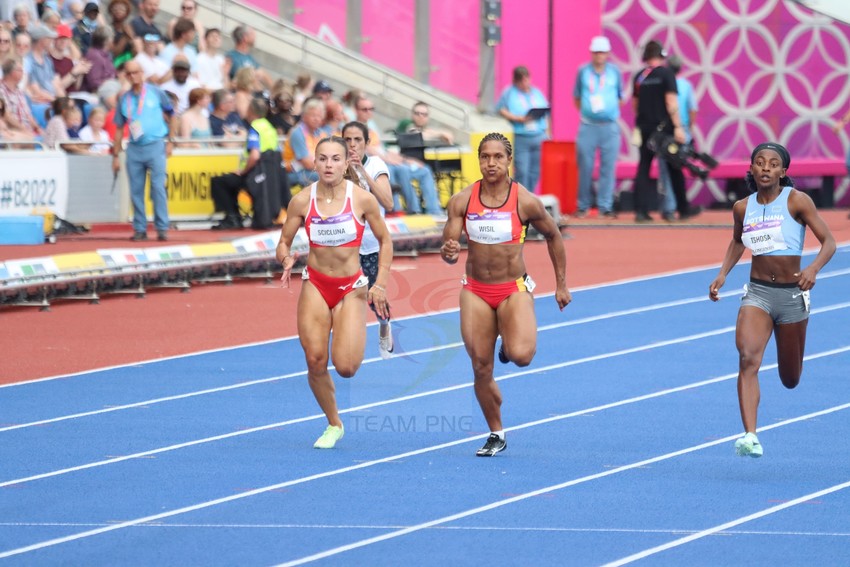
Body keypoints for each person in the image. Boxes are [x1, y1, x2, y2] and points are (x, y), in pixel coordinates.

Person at [440, 132, 571, 457]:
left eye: (498, 157)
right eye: (485, 157)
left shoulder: (524, 200)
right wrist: (450, 250)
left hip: (512, 289)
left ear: (508, 160)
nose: (491, 163)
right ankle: (496, 432)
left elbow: (554, 236)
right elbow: (449, 251)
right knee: (481, 367)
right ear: (479, 160)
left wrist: (561, 283)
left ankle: (508, 346)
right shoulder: (463, 200)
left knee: (522, 355)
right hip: (475, 291)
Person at [708, 142, 835, 458]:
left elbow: (829, 242)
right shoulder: (742, 207)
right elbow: (738, 241)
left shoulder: (797, 202)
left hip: (792, 296)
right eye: (759, 162)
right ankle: (750, 435)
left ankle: (785, 374)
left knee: (790, 378)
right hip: (758, 293)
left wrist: (814, 269)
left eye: (773, 163)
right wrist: (723, 274)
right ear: (751, 168)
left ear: (783, 171)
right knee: (747, 357)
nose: (765, 168)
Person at [275, 135, 393, 449]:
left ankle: (362, 335)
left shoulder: (361, 199)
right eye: (323, 159)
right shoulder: (302, 200)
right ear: (314, 163)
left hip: (350, 288)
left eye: (335, 159)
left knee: (346, 367)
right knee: (315, 360)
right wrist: (285, 258)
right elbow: (283, 242)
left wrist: (379, 283)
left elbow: (386, 241)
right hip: (315, 283)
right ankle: (333, 423)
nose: (329, 165)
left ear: (345, 163)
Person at [342, 120, 395, 359]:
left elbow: (388, 203)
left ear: (366, 143)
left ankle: (384, 325)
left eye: (357, 140)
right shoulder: (337, 166)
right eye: (347, 140)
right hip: (346, 246)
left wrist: (362, 172)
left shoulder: (375, 165)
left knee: (375, 299)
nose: (352, 145)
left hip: (372, 245)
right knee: (345, 298)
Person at [112, 58, 177, 242]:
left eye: (136, 72)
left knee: (158, 187)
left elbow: (172, 115)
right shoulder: (124, 99)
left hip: (156, 145)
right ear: (125, 76)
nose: (133, 76)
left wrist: (171, 140)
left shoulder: (156, 92)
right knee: (136, 190)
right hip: (134, 148)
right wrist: (115, 155)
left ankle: (162, 227)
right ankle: (140, 228)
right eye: (129, 73)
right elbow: (118, 128)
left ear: (142, 73)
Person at [632, 40, 692, 223]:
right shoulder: (666, 74)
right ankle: (683, 208)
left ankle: (641, 211)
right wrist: (678, 128)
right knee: (675, 167)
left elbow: (635, 105)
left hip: (645, 129)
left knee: (643, 168)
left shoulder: (639, 77)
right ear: (662, 55)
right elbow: (671, 102)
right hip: (664, 130)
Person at [572, 35, 623, 218]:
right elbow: (577, 97)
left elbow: (620, 97)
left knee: (608, 168)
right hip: (588, 125)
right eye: (595, 52)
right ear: (591, 53)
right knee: (585, 166)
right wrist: (588, 112)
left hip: (609, 126)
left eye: (601, 52)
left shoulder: (615, 72)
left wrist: (607, 111)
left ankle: (605, 205)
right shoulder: (583, 71)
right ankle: (583, 205)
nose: (598, 55)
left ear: (607, 53)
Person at [209, 96, 277, 229]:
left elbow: (254, 155)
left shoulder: (255, 127)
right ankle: (235, 215)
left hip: (254, 174)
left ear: (251, 111)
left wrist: (242, 171)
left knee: (219, 182)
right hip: (269, 174)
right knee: (230, 182)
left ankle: (232, 217)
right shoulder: (270, 128)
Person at [658, 54, 700, 222]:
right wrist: (688, 128)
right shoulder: (686, 85)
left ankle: (669, 208)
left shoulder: (663, 84)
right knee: (678, 171)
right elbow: (692, 109)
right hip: (681, 131)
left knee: (666, 172)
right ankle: (681, 207)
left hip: (665, 132)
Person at [496, 65, 550, 192]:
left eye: (527, 79)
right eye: (522, 81)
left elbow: (546, 113)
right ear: (516, 81)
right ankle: (520, 198)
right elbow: (500, 109)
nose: (526, 83)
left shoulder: (536, 92)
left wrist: (547, 132)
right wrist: (516, 118)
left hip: (538, 135)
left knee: (535, 171)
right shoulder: (509, 92)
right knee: (522, 170)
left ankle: (531, 197)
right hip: (521, 136)